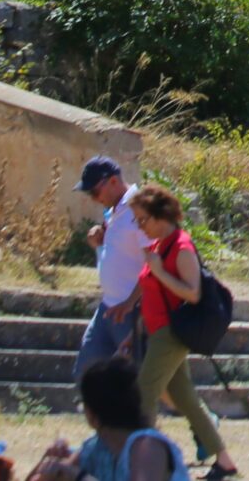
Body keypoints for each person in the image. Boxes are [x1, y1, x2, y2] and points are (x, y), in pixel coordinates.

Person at [125, 187, 235, 481]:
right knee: (186, 400)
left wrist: (160, 272)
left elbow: (193, 293)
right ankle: (225, 461)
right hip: (157, 332)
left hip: (170, 336)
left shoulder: (182, 247)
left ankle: (145, 464)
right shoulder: (161, 245)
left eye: (142, 219)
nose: (140, 226)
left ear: (160, 216)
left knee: (145, 391)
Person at [19, 357, 185, 481]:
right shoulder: (96, 448)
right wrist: (48, 462)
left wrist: (79, 477)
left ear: (92, 414)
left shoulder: (148, 446)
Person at [73, 156, 147, 381]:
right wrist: (98, 243)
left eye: (95, 192)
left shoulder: (139, 209)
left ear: (113, 181)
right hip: (108, 307)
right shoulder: (113, 211)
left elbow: (153, 264)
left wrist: (132, 303)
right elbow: (115, 254)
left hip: (131, 310)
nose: (94, 199)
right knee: (86, 374)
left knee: (138, 382)